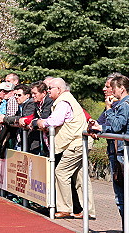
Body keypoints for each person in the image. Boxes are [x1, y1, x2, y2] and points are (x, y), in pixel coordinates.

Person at [89, 75, 129, 233]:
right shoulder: (127, 104)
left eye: (112, 88)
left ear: (121, 88)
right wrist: (100, 127)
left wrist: (108, 108)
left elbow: (117, 125)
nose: (110, 92)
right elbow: (113, 126)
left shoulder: (124, 104)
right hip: (123, 152)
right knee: (127, 197)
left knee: (123, 198)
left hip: (123, 154)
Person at [37, 78, 95, 219]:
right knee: (81, 177)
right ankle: (88, 210)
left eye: (51, 88)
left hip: (75, 143)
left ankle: (65, 208)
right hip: (79, 142)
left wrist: (41, 122)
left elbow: (55, 120)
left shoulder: (63, 102)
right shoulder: (68, 99)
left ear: (60, 89)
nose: (48, 90)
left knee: (61, 173)